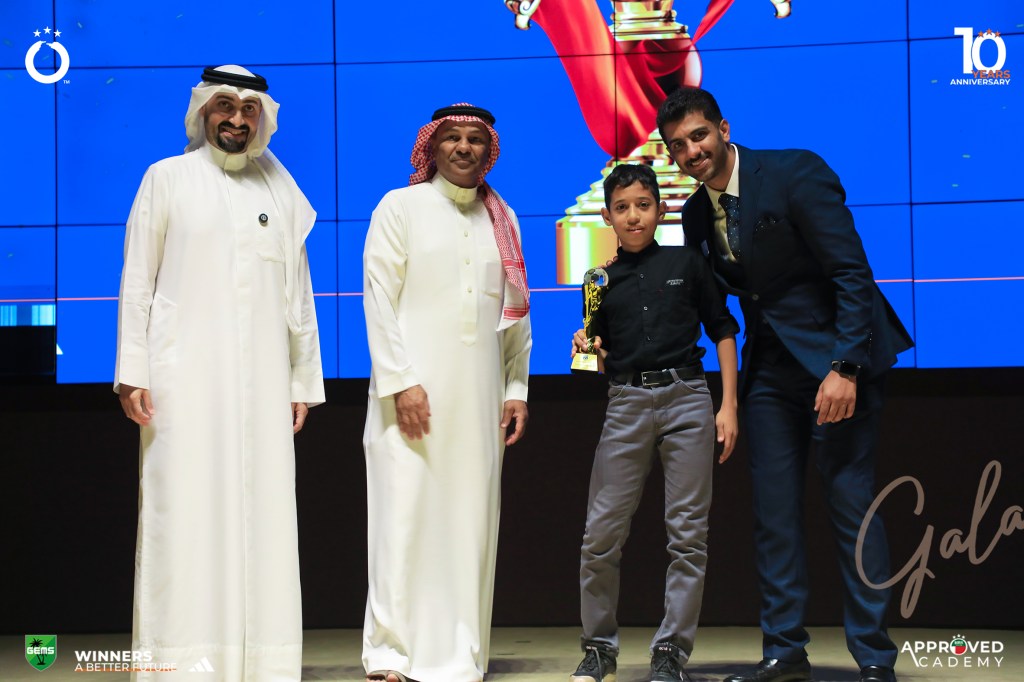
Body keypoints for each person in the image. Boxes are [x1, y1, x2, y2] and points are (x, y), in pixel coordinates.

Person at [657, 87, 913, 682]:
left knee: (852, 507)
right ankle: (784, 651)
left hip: (836, 363)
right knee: (773, 516)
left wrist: (845, 367)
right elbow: (711, 307)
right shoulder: (694, 215)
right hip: (769, 372)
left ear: (723, 129)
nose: (692, 151)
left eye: (699, 136)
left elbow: (851, 272)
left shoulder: (795, 171)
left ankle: (875, 657)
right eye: (679, 146)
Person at [115, 65, 324, 681]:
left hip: (264, 387)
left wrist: (301, 381)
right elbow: (137, 280)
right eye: (224, 106)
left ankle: (262, 667)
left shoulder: (278, 189)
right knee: (182, 514)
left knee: (264, 521)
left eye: (248, 108)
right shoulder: (167, 178)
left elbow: (299, 295)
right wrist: (132, 371)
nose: (237, 118)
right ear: (203, 111)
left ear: (262, 117)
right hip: (180, 384)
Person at [361, 103, 532, 682]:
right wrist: (401, 382)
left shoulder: (502, 218)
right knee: (402, 519)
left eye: (475, 139)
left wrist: (516, 387)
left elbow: (515, 316)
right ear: (432, 147)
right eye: (452, 138)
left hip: (479, 402)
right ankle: (390, 654)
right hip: (407, 399)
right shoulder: (400, 207)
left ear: (490, 150)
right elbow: (379, 300)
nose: (464, 148)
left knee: (469, 525)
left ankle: (461, 655)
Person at [568, 163, 740, 682]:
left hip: (688, 399)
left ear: (661, 210)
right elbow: (600, 357)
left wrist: (728, 405)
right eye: (622, 208)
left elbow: (723, 329)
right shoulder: (598, 281)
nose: (633, 216)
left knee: (687, 536)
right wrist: (587, 346)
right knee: (600, 535)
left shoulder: (688, 262)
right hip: (626, 402)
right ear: (607, 217)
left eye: (643, 205)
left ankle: (671, 652)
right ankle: (599, 648)